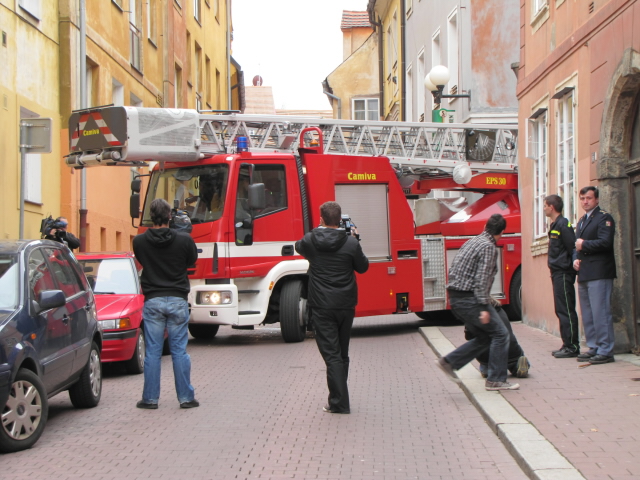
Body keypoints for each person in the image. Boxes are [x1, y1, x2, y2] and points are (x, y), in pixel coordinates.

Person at [295, 201, 369, 414]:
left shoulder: (310, 240)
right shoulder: (350, 243)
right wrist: (355, 240)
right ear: (340, 220)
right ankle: (338, 398)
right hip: (346, 304)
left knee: (331, 355)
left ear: (321, 219)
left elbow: (299, 246)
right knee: (341, 353)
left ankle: (339, 402)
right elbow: (363, 268)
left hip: (321, 305)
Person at [436, 213, 519, 391]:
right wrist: (484, 307)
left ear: (485, 227)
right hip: (469, 299)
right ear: (502, 232)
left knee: (485, 337)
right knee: (500, 334)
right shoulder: (488, 247)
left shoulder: (473, 241)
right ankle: (495, 379)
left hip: (456, 297)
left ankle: (450, 362)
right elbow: (482, 279)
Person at [132, 198, 199, 409]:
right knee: (179, 351)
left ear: (152, 217)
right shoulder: (184, 240)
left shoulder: (139, 241)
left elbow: (142, 260)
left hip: (153, 300)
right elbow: (191, 261)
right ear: (170, 216)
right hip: (177, 298)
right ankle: (186, 398)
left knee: (153, 351)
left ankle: (150, 399)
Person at [573, 186, 616, 365]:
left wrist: (585, 245)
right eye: (582, 198)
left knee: (601, 312)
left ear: (596, 200)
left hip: (599, 271)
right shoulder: (582, 220)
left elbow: (605, 243)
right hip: (584, 272)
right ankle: (594, 346)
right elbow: (576, 245)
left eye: (589, 198)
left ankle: (606, 349)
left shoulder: (604, 218)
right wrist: (574, 259)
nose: (585, 201)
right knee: (588, 313)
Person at [544, 194, 580, 358]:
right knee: (561, 309)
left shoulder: (563, 224)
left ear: (551, 207)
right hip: (557, 272)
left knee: (566, 309)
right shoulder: (555, 224)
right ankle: (566, 343)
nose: (544, 208)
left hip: (564, 272)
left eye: (545, 205)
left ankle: (572, 346)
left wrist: (572, 265)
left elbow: (572, 247)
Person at [465, 298, 529, 378]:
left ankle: (487, 369)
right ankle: (518, 366)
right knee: (514, 350)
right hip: (512, 352)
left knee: (483, 352)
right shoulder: (500, 310)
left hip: (488, 357)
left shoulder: (474, 314)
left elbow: (468, 337)